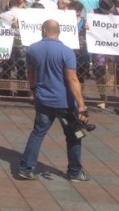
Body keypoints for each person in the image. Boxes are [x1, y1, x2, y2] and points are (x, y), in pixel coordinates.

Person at [18, 19, 90, 182]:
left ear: (43, 30)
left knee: (37, 133)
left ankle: (26, 168)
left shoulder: (33, 49)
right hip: (65, 102)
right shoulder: (66, 52)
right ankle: (74, 172)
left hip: (43, 99)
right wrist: (82, 105)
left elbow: (30, 73)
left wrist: (33, 89)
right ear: (59, 32)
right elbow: (72, 79)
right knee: (74, 135)